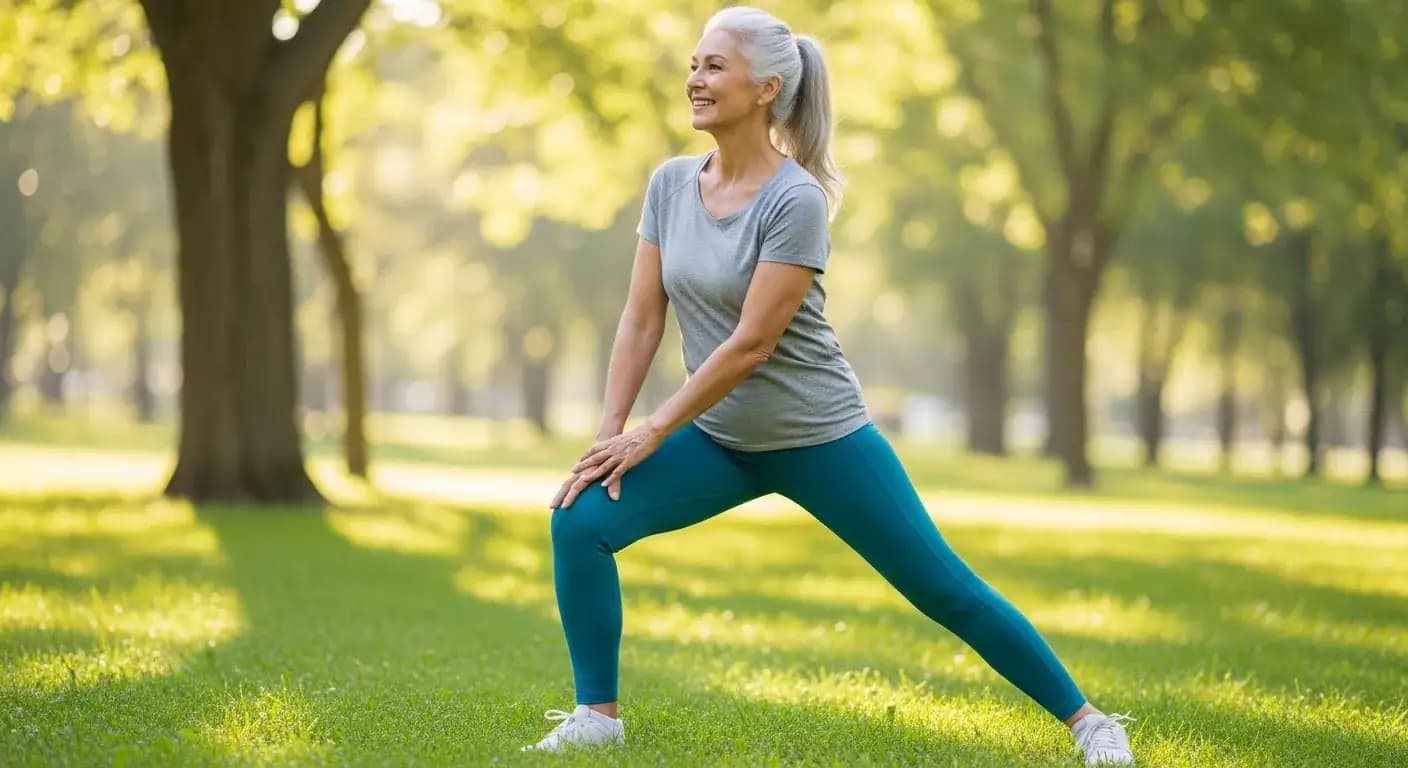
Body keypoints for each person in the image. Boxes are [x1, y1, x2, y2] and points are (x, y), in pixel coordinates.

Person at [524, 6, 1135, 765]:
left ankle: (1091, 723)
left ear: (767, 88)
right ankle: (597, 716)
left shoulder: (795, 199)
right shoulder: (671, 185)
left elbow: (752, 344)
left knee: (943, 587)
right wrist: (610, 433)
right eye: (694, 65)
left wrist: (653, 430)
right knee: (580, 520)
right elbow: (642, 318)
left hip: (821, 437)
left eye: (715, 66)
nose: (696, 80)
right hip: (719, 439)